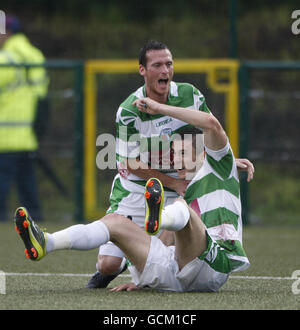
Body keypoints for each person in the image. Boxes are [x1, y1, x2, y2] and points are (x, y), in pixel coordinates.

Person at [13, 95, 250, 293]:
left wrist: (158, 108)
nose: (175, 159)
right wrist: (142, 278)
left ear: (202, 150)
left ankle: (158, 218)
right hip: (177, 275)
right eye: (173, 154)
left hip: (214, 266)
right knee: (115, 222)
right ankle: (48, 242)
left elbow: (211, 123)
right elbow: (168, 242)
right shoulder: (183, 190)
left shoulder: (219, 164)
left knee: (182, 209)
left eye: (182, 152)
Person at [86, 40, 253, 288]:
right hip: (136, 188)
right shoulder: (129, 110)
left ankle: (142, 273)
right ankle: (116, 259)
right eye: (157, 65)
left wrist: (225, 161)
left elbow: (209, 131)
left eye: (169, 64)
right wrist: (173, 181)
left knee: (174, 237)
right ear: (142, 70)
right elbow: (131, 162)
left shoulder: (190, 95)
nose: (165, 70)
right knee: (107, 264)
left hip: (178, 187)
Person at [0, 15, 49, 222]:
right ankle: (35, 220)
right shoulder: (34, 54)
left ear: (6, 33)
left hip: (5, 136)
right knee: (27, 186)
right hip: (28, 133)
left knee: (2, 185)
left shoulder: (6, 58)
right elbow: (41, 93)